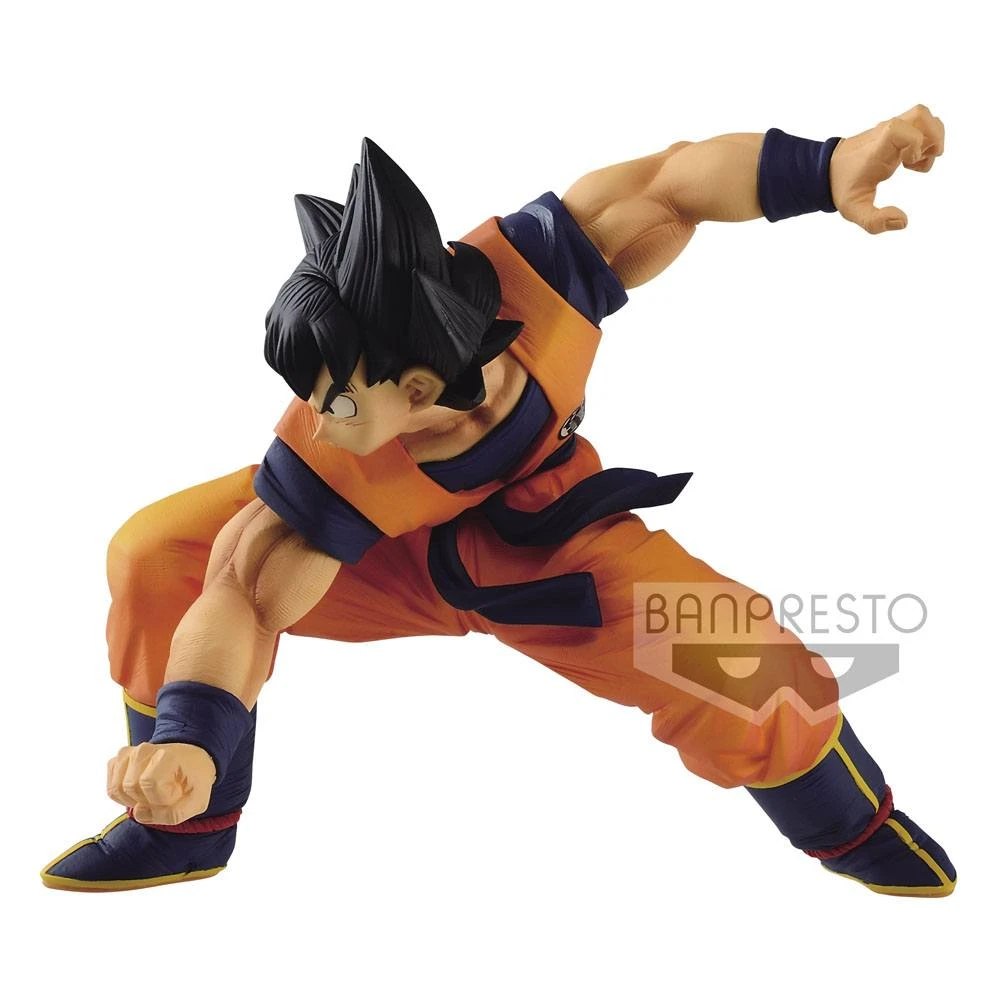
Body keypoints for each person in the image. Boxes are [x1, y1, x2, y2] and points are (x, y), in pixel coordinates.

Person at [41, 106, 956, 897]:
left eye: (339, 401)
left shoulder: (535, 277)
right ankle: (184, 827)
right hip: (385, 559)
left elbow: (675, 184)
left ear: (419, 385)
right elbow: (242, 590)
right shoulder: (331, 460)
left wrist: (826, 165)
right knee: (157, 552)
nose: (315, 420)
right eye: (310, 394)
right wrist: (189, 740)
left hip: (546, 550)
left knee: (748, 664)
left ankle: (854, 830)